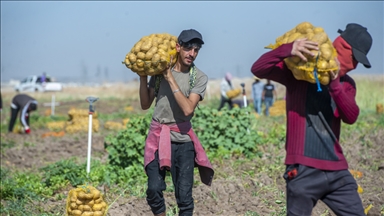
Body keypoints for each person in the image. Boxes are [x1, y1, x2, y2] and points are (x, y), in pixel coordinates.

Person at [251, 23, 372, 215]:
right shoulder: (300, 73)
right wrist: (288, 49)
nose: (354, 66)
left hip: (337, 171)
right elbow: (259, 68)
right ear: (342, 47)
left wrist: (334, 86)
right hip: (303, 169)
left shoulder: (347, 84)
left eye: (358, 62)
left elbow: (351, 116)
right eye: (354, 58)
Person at [138, 29, 214, 216]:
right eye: (188, 48)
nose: (192, 54)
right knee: (154, 189)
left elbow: (188, 109)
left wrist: (170, 79)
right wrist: (142, 76)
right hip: (158, 137)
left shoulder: (199, 78)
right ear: (178, 47)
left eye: (196, 50)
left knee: (184, 198)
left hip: (183, 140)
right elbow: (145, 104)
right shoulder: (160, 71)